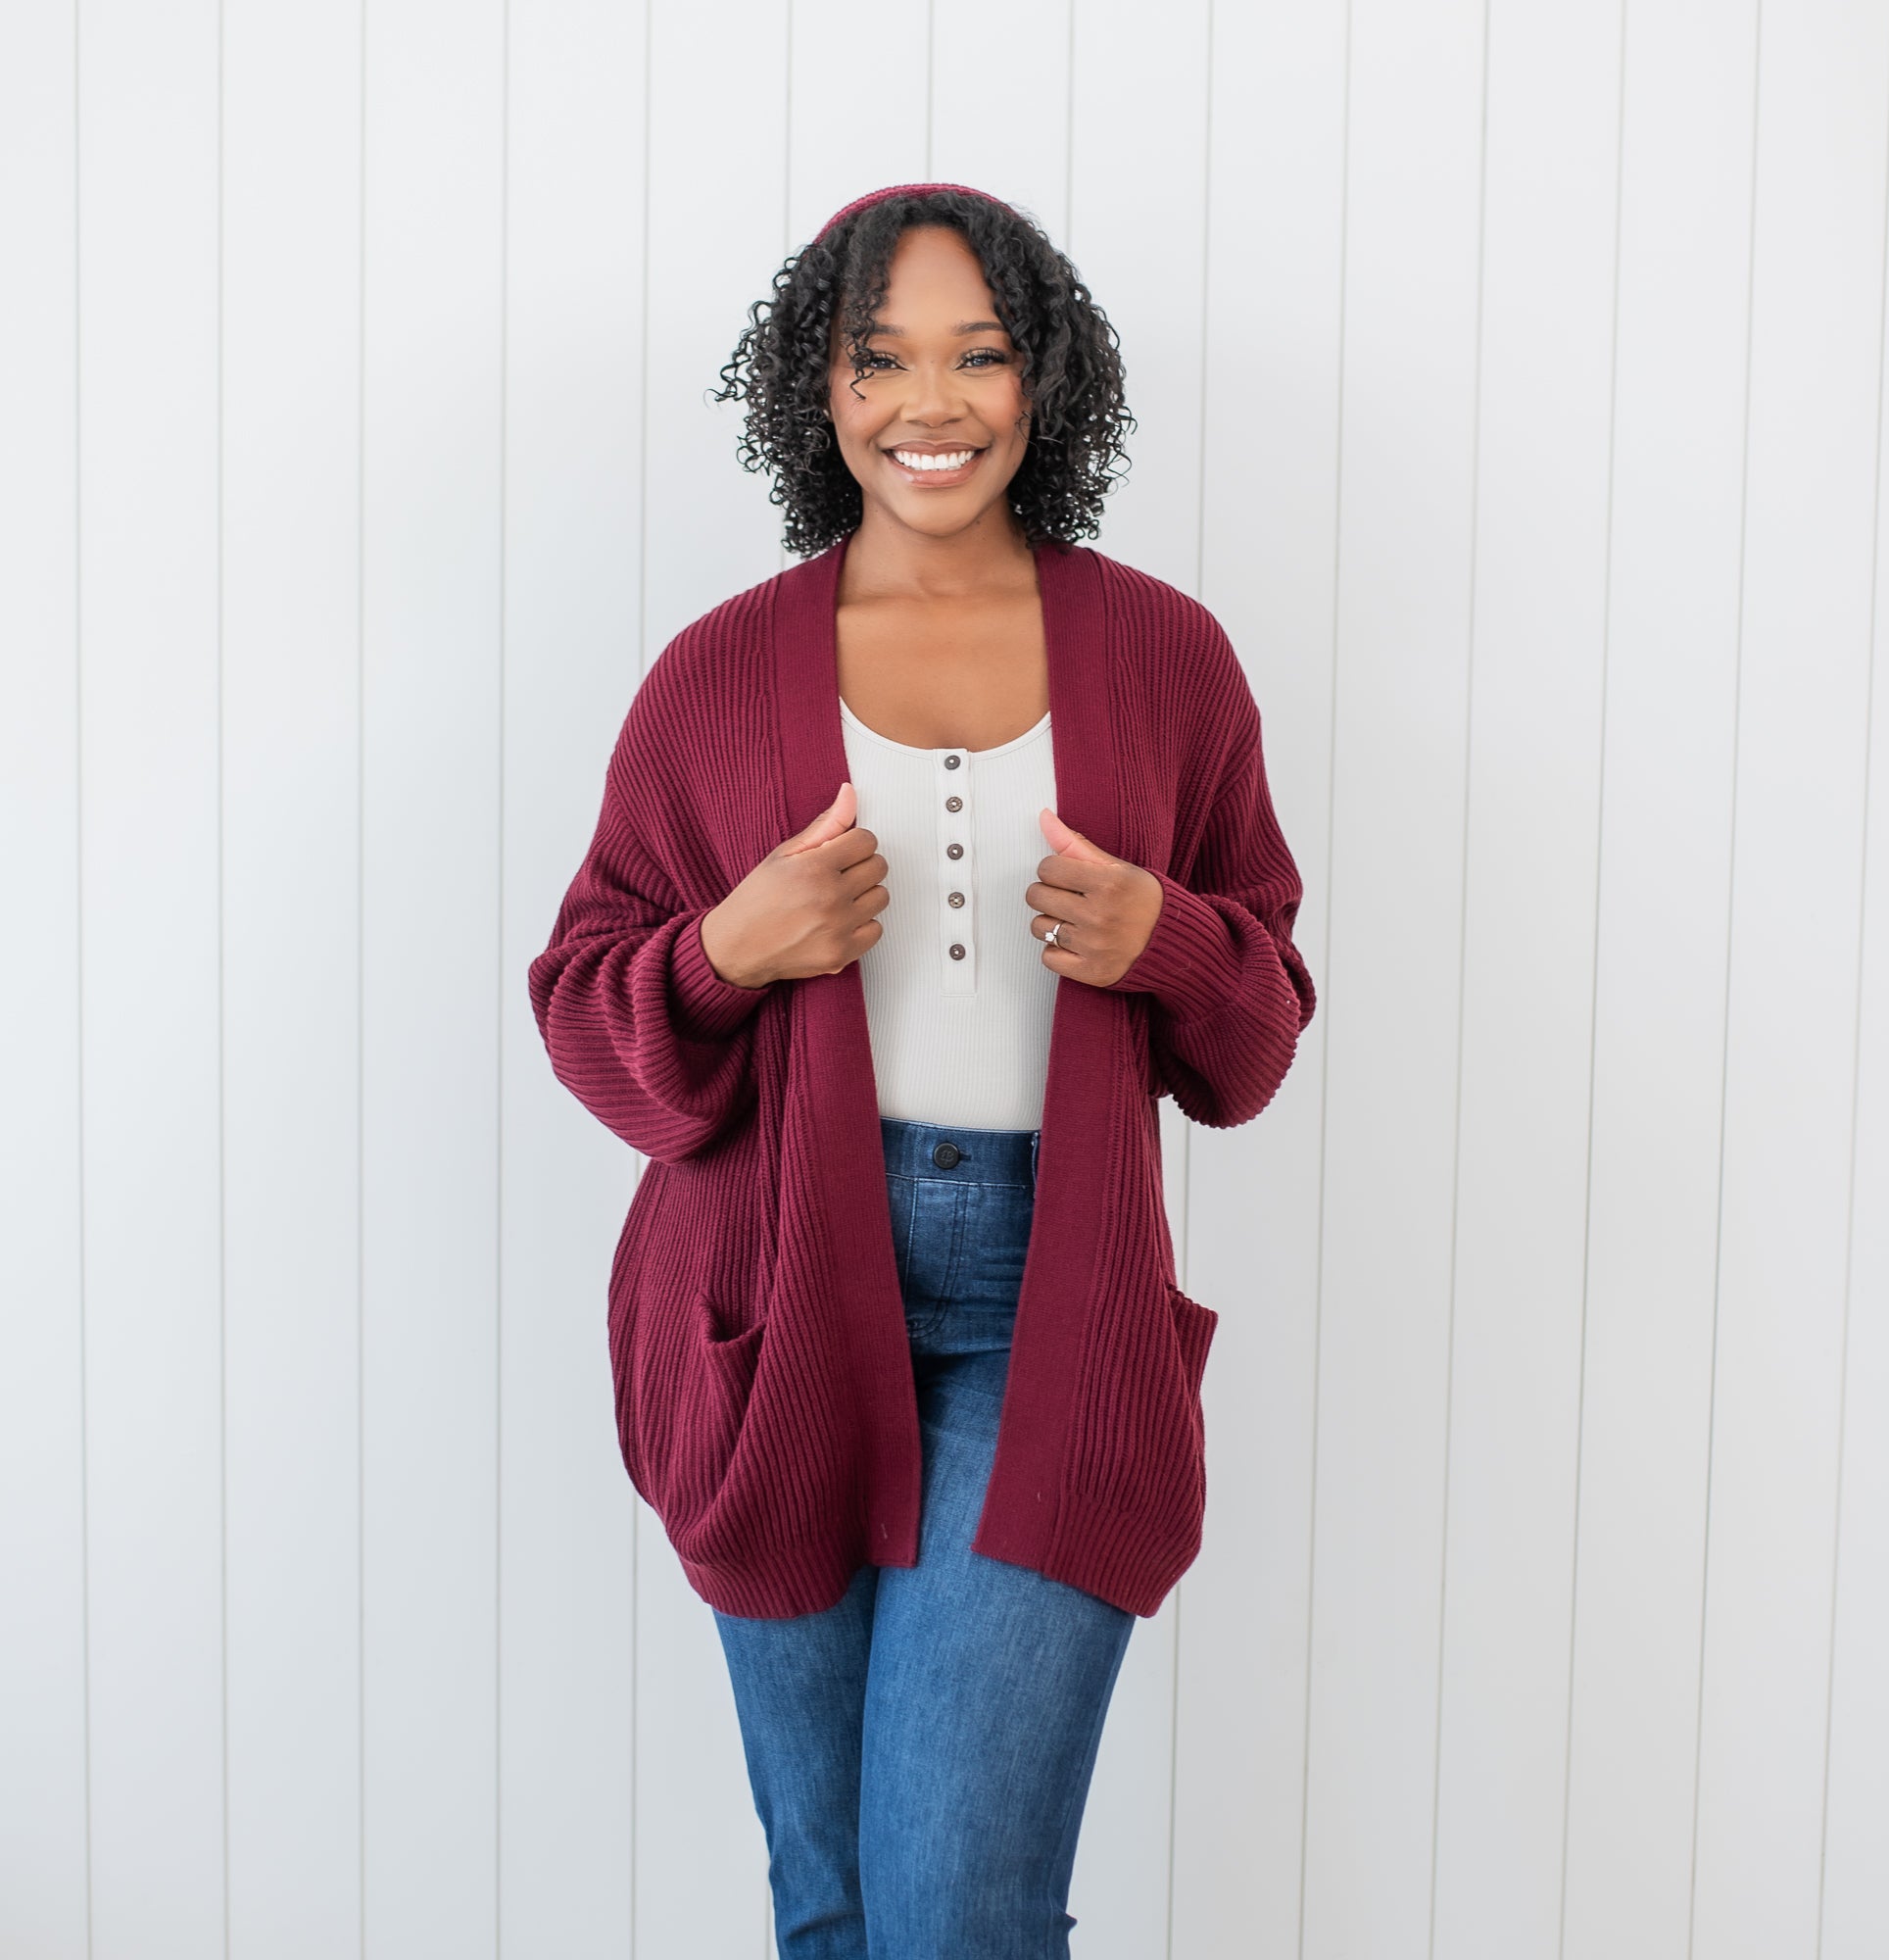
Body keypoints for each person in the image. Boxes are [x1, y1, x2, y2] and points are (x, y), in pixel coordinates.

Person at [528, 182, 1317, 1960]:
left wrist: (1168, 941)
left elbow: (1254, 1043)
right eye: (879, 359)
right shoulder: (718, 676)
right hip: (770, 1303)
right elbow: (586, 1009)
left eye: (977, 353)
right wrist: (734, 945)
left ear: (1043, 379)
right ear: (819, 390)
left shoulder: (1169, 662)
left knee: (957, 1911)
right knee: (836, 1910)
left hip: (1055, 1304)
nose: (928, 404)